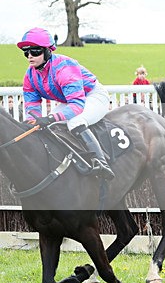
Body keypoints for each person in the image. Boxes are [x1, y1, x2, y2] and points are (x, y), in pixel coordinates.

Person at [18, 27, 115, 180]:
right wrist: (35, 119)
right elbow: (32, 105)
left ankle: (101, 163)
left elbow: (76, 105)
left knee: (75, 122)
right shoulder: (30, 75)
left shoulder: (64, 67)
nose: (30, 56)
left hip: (92, 95)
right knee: (48, 126)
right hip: (71, 100)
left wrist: (50, 118)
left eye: (35, 51)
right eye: (26, 52)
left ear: (48, 51)